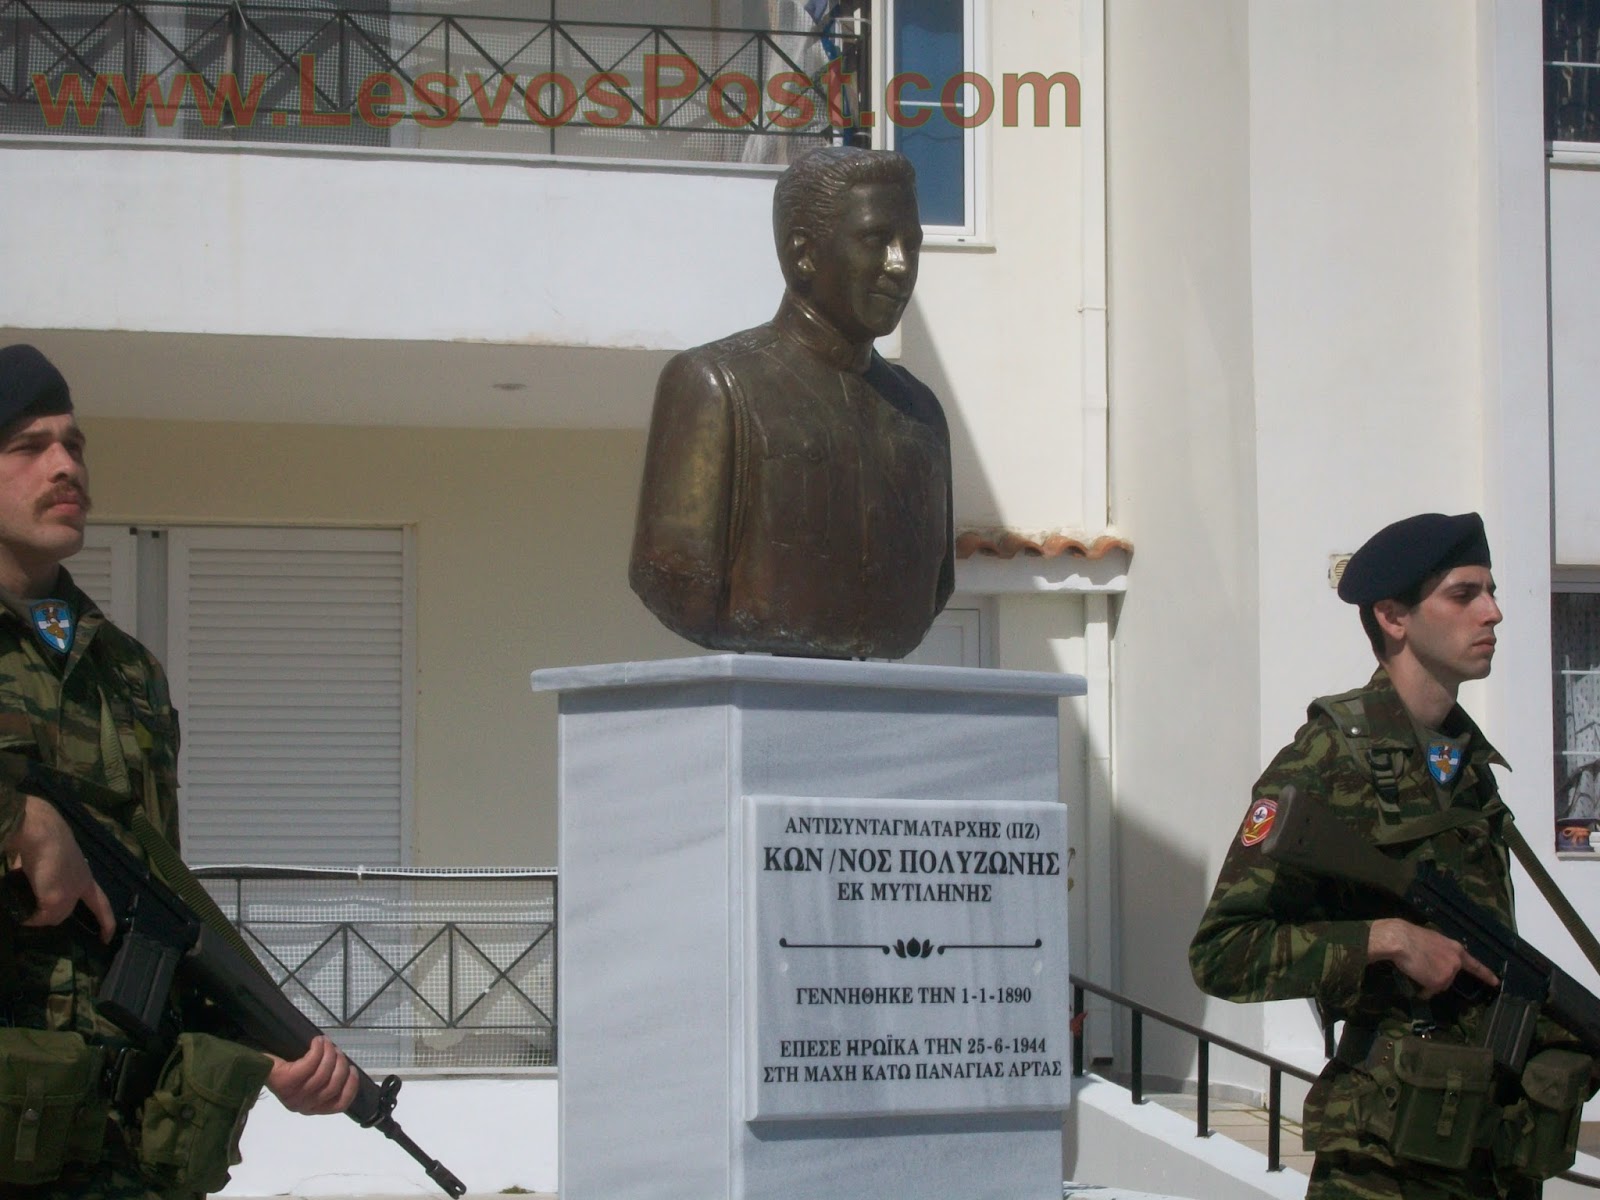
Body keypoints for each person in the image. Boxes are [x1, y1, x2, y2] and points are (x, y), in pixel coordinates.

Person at [0, 344, 357, 1199]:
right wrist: (18, 820)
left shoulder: (126, 671)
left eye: (74, 444)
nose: (65, 466)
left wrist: (264, 1048)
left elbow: (151, 899)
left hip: (113, 1143)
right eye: (27, 446)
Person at [1189, 511, 1594, 1199]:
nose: (1494, 612)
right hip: (1383, 1166)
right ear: (1393, 616)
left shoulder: (1470, 770)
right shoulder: (1326, 759)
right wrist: (1388, 940)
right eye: (1465, 595)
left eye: (1491, 591)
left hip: (1485, 1153)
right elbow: (1224, 952)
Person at [629, 145, 955, 660]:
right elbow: (674, 579)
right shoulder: (716, 385)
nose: (900, 265)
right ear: (803, 253)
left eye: (910, 245)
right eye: (876, 240)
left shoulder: (921, 412)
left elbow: (934, 587)